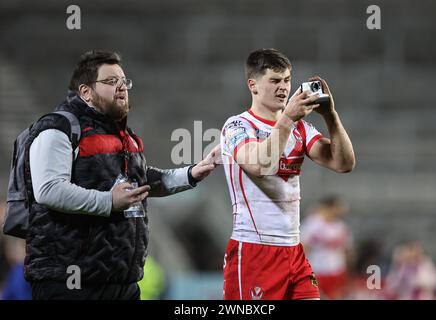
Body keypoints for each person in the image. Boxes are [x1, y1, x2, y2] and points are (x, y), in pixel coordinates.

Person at [23, 50, 217, 300]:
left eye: (124, 81)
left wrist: (191, 174)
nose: (121, 87)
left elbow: (139, 183)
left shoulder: (124, 136)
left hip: (122, 282)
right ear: (86, 92)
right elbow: (48, 189)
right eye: (110, 81)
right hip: (69, 282)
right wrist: (108, 201)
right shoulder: (57, 129)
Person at [220, 48, 355, 300]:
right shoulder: (238, 125)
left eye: (287, 80)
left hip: (294, 250)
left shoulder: (301, 128)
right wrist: (287, 120)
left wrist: (331, 116)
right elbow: (260, 165)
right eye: (274, 80)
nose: (283, 87)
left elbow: (343, 163)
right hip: (254, 250)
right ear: (253, 85)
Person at [301, 195, 354, 299]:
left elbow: (347, 250)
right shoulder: (312, 223)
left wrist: (348, 270)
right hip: (316, 270)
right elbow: (302, 247)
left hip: (337, 269)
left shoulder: (341, 226)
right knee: (315, 296)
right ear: (330, 207)